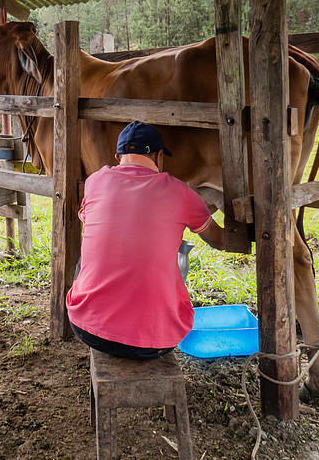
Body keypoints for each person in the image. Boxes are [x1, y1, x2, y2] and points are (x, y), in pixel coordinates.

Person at [66, 121, 225, 360]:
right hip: (155, 343)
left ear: (118, 156)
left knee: (86, 258)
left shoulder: (95, 181)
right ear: (160, 156)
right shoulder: (182, 193)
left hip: (86, 329)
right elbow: (219, 240)